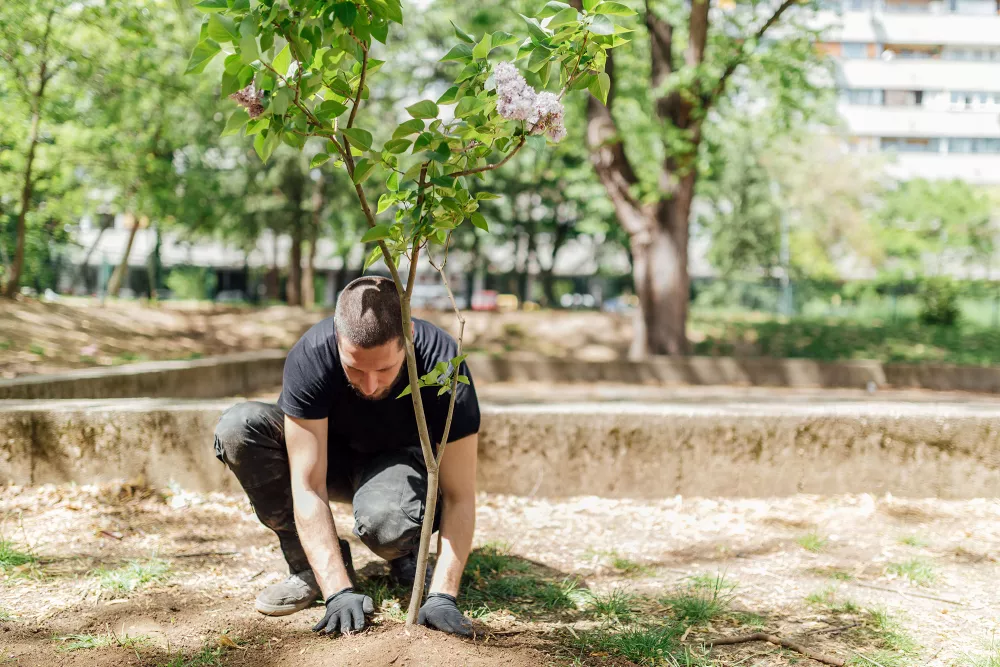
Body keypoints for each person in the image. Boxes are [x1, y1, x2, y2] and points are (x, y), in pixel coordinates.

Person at [213, 276, 479, 637]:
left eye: (384, 369)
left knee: (387, 523)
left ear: (409, 335)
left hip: (397, 464)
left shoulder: (442, 364)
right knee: (239, 427)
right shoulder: (311, 355)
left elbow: (461, 495)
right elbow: (307, 486)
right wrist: (338, 590)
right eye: (355, 368)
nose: (369, 385)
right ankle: (308, 566)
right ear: (337, 337)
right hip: (330, 457)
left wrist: (444, 594)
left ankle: (403, 551)